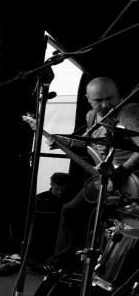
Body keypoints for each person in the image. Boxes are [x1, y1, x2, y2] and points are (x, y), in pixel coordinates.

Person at [50, 77, 139, 267]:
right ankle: (59, 266)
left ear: (119, 95)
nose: (105, 105)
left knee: (119, 227)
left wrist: (121, 172)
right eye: (98, 100)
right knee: (71, 211)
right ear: (88, 99)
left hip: (130, 181)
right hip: (105, 177)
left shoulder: (129, 113)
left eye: (110, 98)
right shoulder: (91, 116)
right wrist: (65, 141)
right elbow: (87, 144)